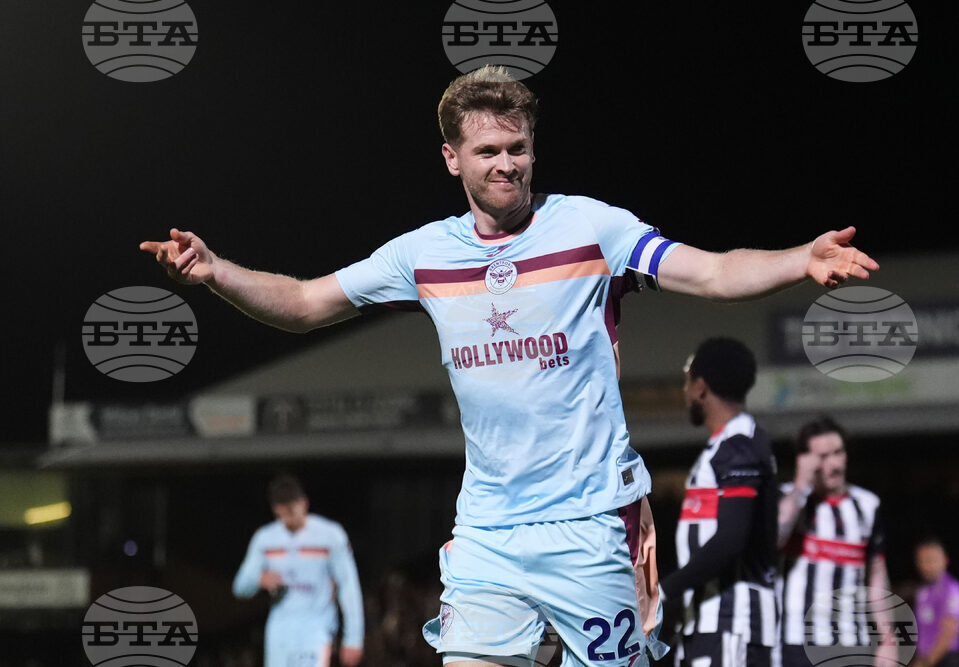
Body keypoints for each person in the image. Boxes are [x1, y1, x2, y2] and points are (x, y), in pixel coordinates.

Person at [142, 65, 878, 666]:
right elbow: (305, 302)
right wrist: (217, 273)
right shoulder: (422, 254)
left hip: (592, 523)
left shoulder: (592, 229)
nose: (507, 164)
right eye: (488, 151)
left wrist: (797, 259)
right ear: (451, 157)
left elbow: (713, 274)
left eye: (518, 149)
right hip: (490, 528)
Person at [656, 337, 779, 666]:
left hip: (732, 623)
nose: (685, 391)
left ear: (700, 387)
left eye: (687, 380)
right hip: (709, 622)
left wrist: (662, 591)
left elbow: (730, 539)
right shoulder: (726, 445)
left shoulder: (739, 445)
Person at [775, 416, 893, 667]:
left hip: (852, 642)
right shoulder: (788, 499)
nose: (834, 464)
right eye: (823, 456)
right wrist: (800, 484)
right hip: (796, 642)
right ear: (805, 461)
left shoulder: (867, 505)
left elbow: (877, 575)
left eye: (838, 453)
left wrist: (888, 638)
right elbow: (774, 537)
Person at [233, 474, 364, 667]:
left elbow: (348, 585)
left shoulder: (330, 536)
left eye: (290, 512)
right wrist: (259, 579)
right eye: (281, 515)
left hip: (317, 628)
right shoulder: (265, 539)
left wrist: (354, 638)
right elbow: (240, 587)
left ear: (304, 504)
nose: (287, 520)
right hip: (279, 631)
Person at [912, 538, 959, 667]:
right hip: (924, 657)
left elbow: (950, 632)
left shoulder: (953, 590)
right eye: (923, 561)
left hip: (944, 659)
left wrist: (926, 662)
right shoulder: (922, 591)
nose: (927, 566)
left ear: (945, 560)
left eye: (932, 560)